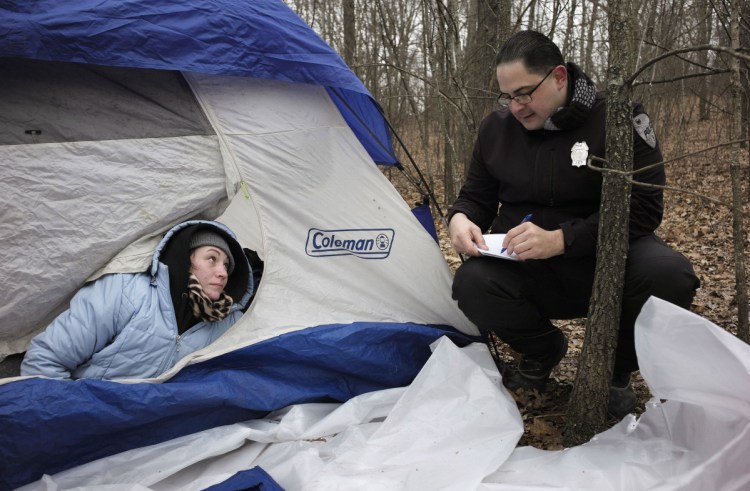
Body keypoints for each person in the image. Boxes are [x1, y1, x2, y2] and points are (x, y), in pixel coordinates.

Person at [448, 30, 700, 417]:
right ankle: (542, 349)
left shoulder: (619, 117)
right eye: (507, 96)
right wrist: (461, 219)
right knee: (472, 283)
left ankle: (614, 368)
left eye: (524, 93)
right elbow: (476, 197)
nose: (515, 107)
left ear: (559, 77)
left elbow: (646, 208)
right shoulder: (495, 130)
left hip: (606, 261)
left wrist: (562, 239)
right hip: (526, 265)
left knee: (670, 273)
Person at [21, 220, 255, 380]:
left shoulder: (229, 322)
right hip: (84, 410)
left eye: (226, 265)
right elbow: (45, 361)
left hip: (150, 431)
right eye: (212, 259)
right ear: (185, 260)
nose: (223, 272)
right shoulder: (124, 291)